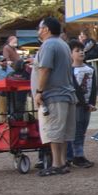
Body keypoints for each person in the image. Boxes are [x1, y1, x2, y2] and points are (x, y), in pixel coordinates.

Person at [32, 17, 77, 176]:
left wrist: (39, 92)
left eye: (40, 27)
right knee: (63, 131)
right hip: (66, 94)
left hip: (54, 95)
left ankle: (57, 164)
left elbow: (45, 69)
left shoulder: (49, 44)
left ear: (46, 29)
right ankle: (63, 162)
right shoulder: (63, 44)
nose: (38, 31)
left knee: (53, 130)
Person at [66, 40, 97, 167]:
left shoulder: (90, 69)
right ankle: (77, 155)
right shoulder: (69, 70)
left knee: (83, 129)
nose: (81, 52)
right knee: (76, 130)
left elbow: (93, 88)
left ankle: (77, 154)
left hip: (87, 105)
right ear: (71, 54)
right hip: (76, 105)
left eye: (82, 50)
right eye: (77, 51)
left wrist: (91, 103)